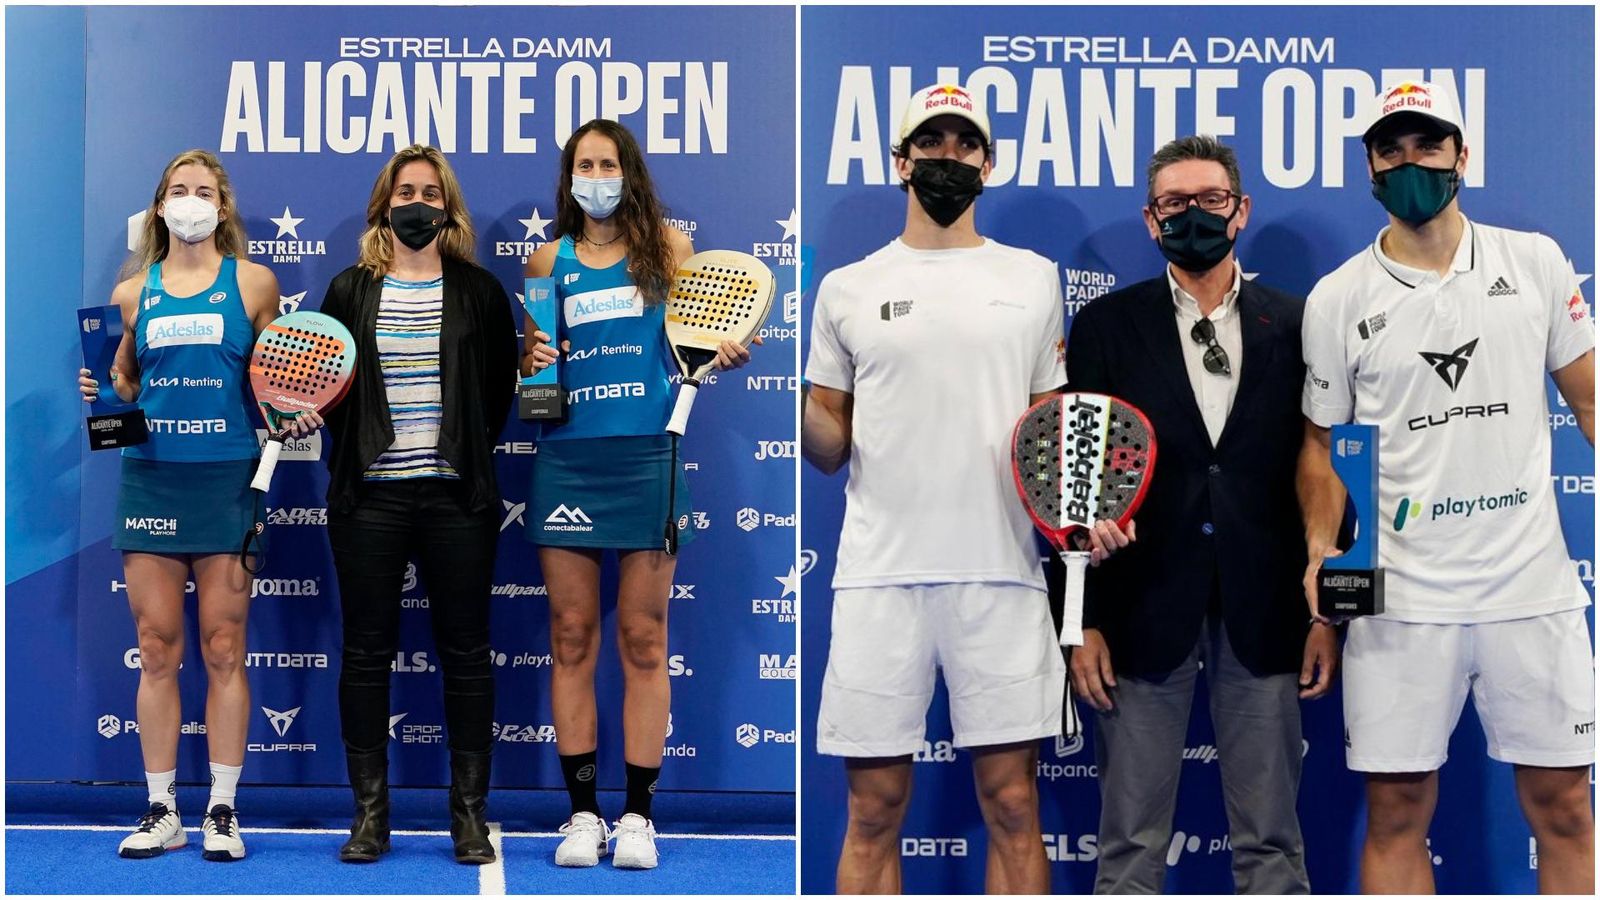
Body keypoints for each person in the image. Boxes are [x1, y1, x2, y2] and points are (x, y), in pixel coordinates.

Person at [1298, 81, 1595, 894]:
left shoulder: (1533, 261)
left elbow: (1590, 396)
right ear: (1370, 168)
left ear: (1462, 157)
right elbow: (1327, 448)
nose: (1410, 163)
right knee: (1395, 813)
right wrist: (1325, 555)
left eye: (1427, 146)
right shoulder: (1338, 298)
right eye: (1391, 150)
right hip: (1401, 597)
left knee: (1566, 806)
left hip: (1528, 588)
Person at [801, 84, 1068, 894]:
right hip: (882, 576)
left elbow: (1049, 431)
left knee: (1013, 803)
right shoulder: (847, 287)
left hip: (1005, 574)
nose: (945, 157)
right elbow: (827, 449)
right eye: (931, 144)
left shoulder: (1033, 278)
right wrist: (798, 404)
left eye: (962, 145)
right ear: (901, 161)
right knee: (874, 809)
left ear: (986, 163)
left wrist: (1079, 517)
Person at [1065, 135, 1333, 894]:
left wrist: (1326, 616)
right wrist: (1078, 617)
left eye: (1210, 200)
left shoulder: (1300, 322)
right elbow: (1073, 484)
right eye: (1174, 203)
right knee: (1128, 845)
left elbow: (1325, 467)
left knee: (1273, 844)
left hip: (1269, 610)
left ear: (1240, 210)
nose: (1193, 215)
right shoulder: (1106, 328)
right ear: (1151, 222)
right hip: (1138, 609)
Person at [520, 118, 756, 870]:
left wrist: (722, 354)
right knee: (571, 637)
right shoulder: (544, 260)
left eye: (608, 163)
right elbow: (534, 383)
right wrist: (531, 360)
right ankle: (583, 815)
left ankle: (639, 818)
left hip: (650, 458)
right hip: (566, 462)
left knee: (645, 641)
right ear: (569, 179)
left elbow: (695, 341)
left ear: (630, 173)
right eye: (584, 165)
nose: (597, 175)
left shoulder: (671, 253)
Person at [77, 149, 284, 861]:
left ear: (221, 207)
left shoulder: (254, 284)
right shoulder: (132, 294)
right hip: (151, 481)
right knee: (158, 648)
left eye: (203, 190)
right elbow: (125, 387)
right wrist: (104, 392)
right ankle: (160, 807)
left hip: (227, 482)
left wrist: (293, 412)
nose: (190, 200)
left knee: (225, 648)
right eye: (178, 190)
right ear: (159, 206)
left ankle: (222, 810)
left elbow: (276, 382)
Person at [314, 144, 518, 865]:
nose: (418, 205)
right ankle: (370, 818)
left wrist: (454, 457)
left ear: (448, 207)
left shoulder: (479, 292)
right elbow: (329, 390)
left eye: (432, 194)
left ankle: (468, 817)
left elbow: (495, 398)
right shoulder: (347, 290)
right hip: (369, 497)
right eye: (406, 192)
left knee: (465, 654)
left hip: (456, 496)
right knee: (367, 654)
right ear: (383, 204)